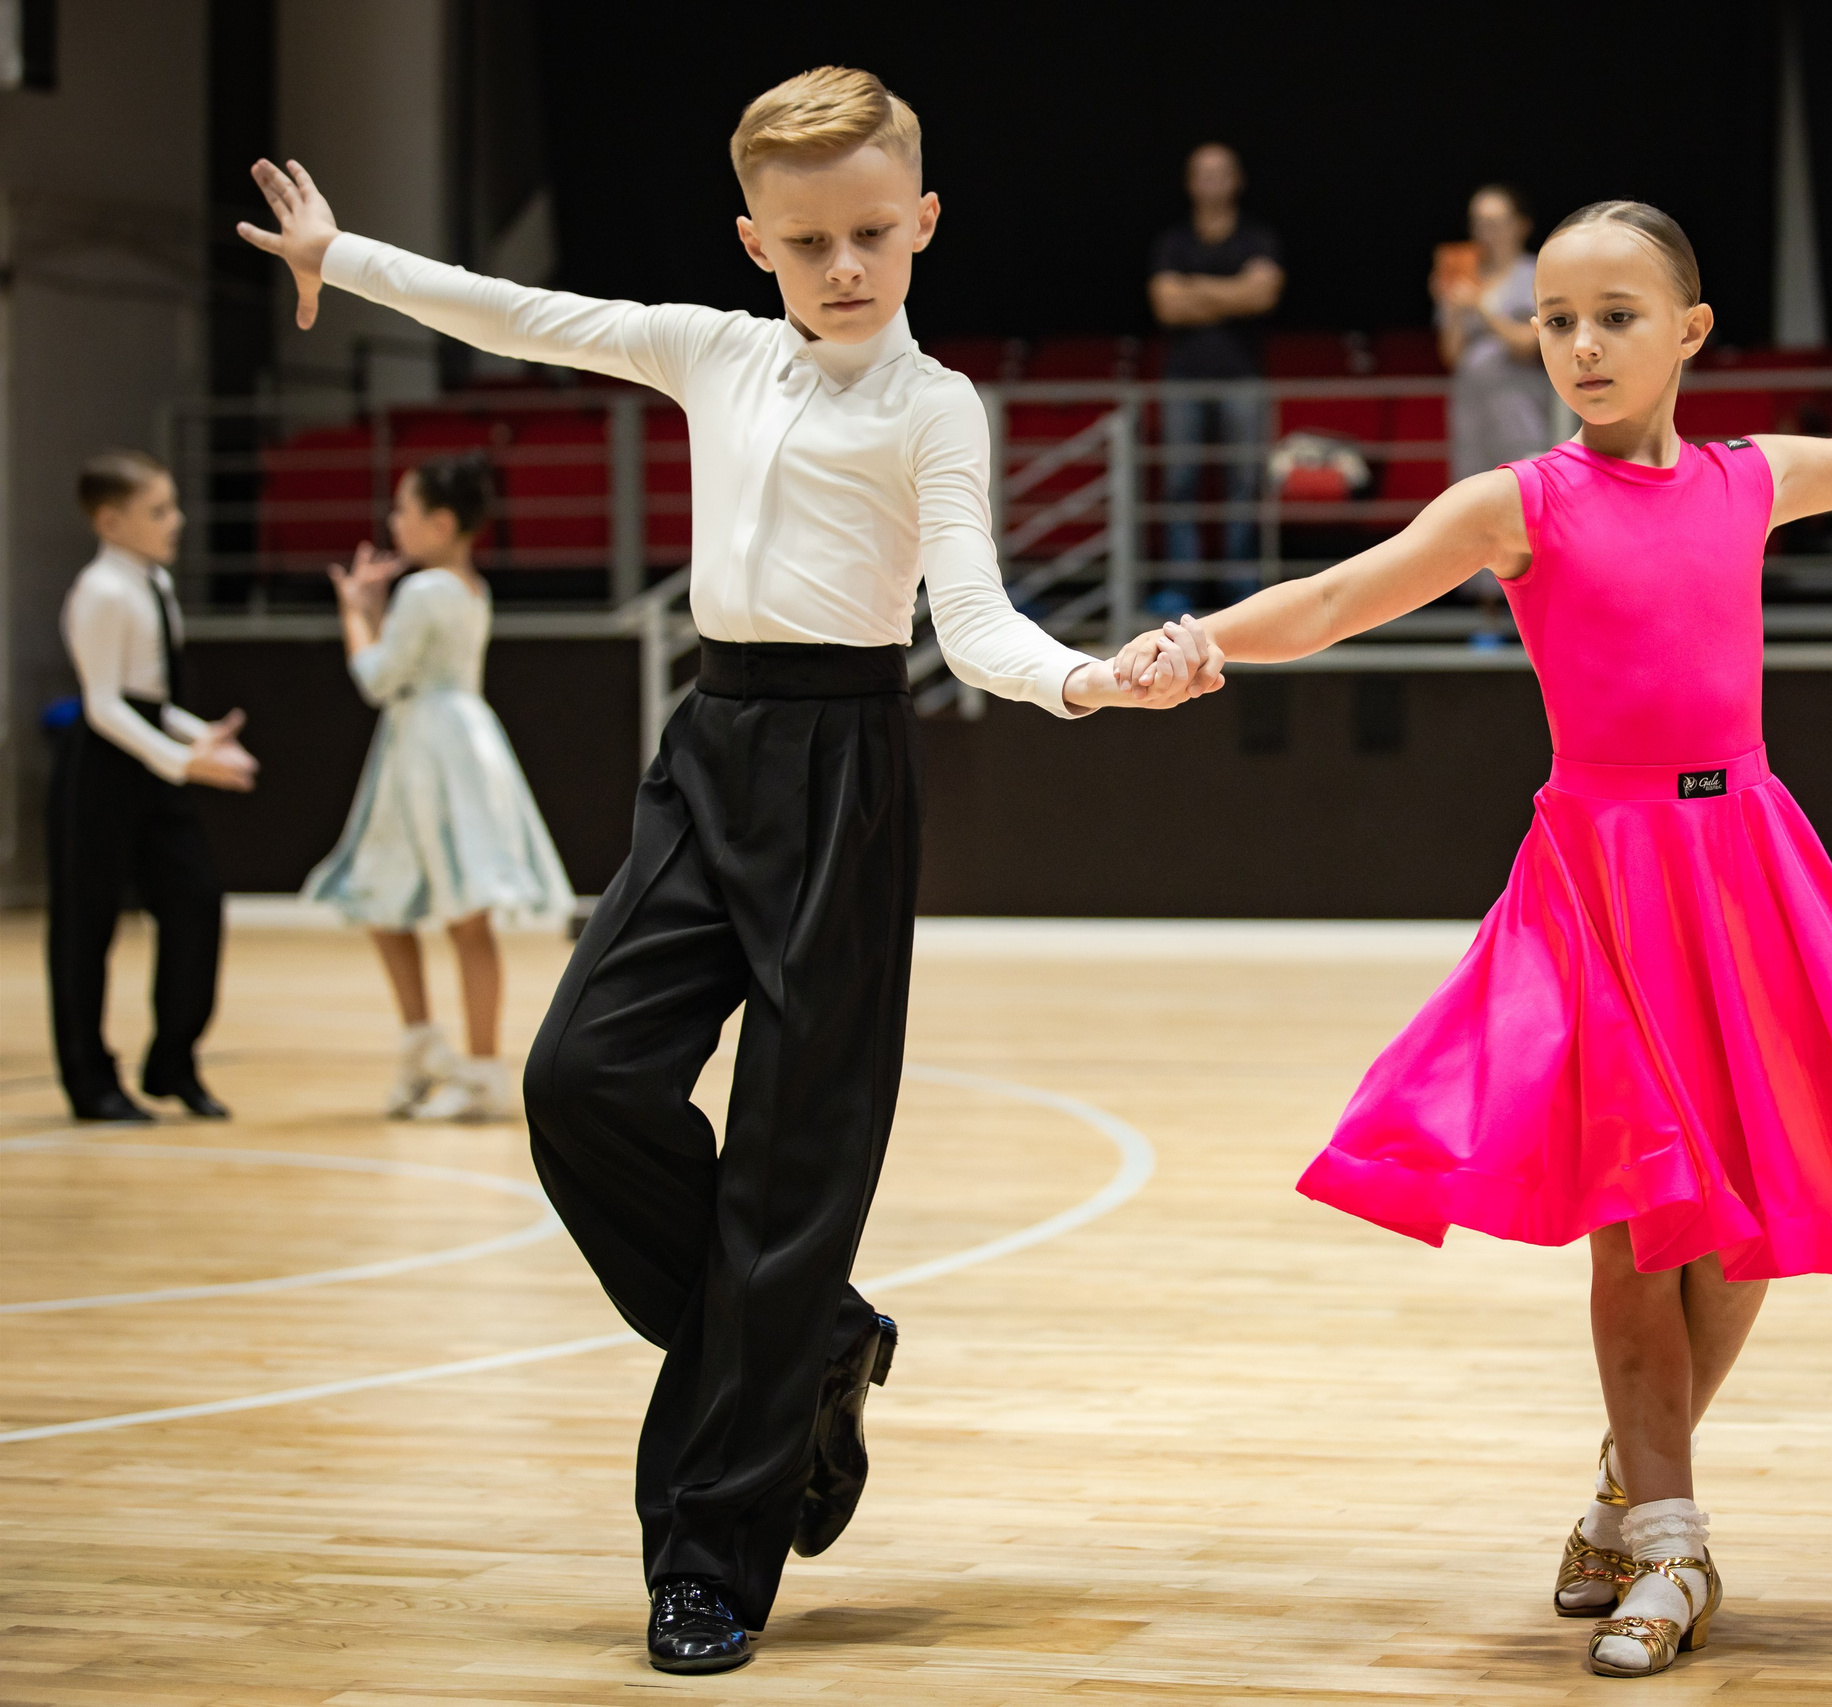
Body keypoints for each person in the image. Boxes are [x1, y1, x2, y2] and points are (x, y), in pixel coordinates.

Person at [1117, 200, 1832, 1677]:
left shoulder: (1748, 479)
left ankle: (1627, 1489)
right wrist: (1200, 640)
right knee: (1636, 1226)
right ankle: (1675, 1546)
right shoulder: (1518, 502)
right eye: (1558, 320)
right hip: (1601, 883)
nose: (1582, 345)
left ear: (1689, 331)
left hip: (1744, 871)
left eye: (1616, 317)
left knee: (1746, 1223)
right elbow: (1334, 595)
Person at [240, 66, 1221, 1676]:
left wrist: (1088, 678)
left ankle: (708, 1557)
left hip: (845, 773)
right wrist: (343, 258)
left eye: (872, 233)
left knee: (785, 1178)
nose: (845, 265)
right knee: (579, 1077)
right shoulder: (712, 348)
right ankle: (818, 1331)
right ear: (756, 240)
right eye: (808, 239)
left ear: (923, 222)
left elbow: (973, 619)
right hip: (712, 749)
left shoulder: (936, 407)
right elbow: (521, 313)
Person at [302, 453, 574, 1122]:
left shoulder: (424, 590)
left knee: (457, 909)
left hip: (431, 747)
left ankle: (475, 1068)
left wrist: (354, 611)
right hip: (449, 739)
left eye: (405, 509)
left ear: (442, 521)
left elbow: (377, 677)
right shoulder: (468, 586)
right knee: (395, 898)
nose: (394, 520)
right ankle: (431, 1049)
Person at [49, 450, 259, 1123]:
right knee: (87, 927)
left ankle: (173, 1060)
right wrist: (180, 761)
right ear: (110, 521)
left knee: (195, 902)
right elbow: (104, 704)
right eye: (159, 510)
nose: (177, 520)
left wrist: (200, 736)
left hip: (150, 758)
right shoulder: (100, 591)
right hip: (100, 769)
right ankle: (90, 1081)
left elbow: (152, 700)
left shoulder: (155, 584)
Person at [1147, 141, 1285, 611]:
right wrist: (1233, 292)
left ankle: (1239, 587)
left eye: (1221, 172)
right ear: (1190, 183)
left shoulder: (1258, 238)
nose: (1212, 181)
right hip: (1183, 380)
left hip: (1243, 378)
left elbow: (1262, 296)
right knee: (1179, 483)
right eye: (1202, 173)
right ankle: (1182, 588)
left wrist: (1195, 290)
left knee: (1244, 483)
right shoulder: (1172, 242)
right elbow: (1166, 305)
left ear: (1237, 180)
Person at [1435, 184, 1556, 480]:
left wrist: (1481, 307)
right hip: (1472, 408)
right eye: (1477, 222)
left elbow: (1530, 346)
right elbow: (1451, 355)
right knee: (1473, 491)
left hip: (1520, 409)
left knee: (1524, 488)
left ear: (1521, 225)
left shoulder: (1536, 272)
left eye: (1494, 222)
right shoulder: (1464, 274)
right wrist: (1452, 309)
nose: (1484, 231)